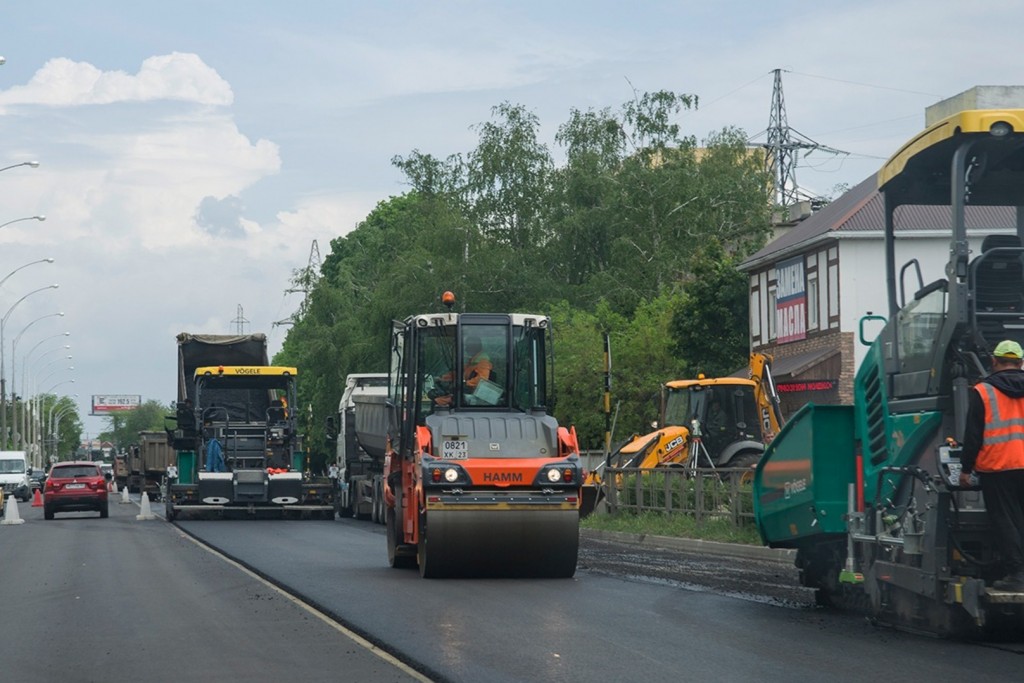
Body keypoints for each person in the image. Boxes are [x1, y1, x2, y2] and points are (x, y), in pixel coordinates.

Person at [959, 339, 1024, 591]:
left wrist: (965, 470)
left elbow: (973, 436)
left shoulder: (983, 391)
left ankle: (1018, 575)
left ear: (994, 361)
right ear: (1020, 363)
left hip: (999, 468)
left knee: (1006, 521)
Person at [433, 335, 493, 406]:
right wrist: (442, 378)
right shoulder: (473, 362)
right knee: (438, 398)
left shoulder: (483, 362)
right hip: (465, 394)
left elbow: (482, 380)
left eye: (468, 346)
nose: (466, 349)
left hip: (473, 396)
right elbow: (458, 373)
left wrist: (464, 384)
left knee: (438, 401)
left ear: (475, 347)